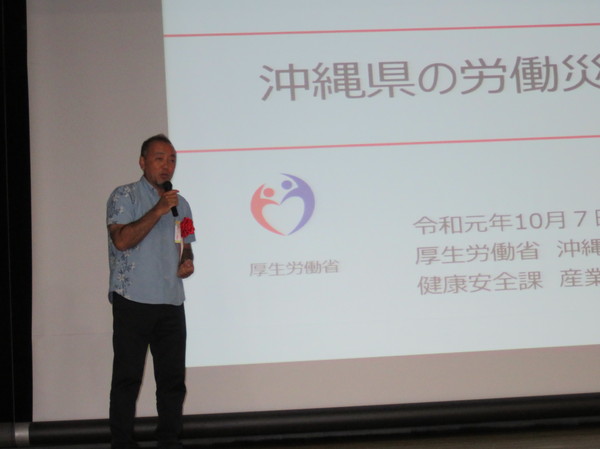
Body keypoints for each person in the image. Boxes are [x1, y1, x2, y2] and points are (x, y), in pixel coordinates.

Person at [106, 134, 195, 449]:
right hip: (133, 300)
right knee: (128, 378)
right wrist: (158, 209)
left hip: (171, 301)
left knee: (172, 381)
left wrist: (186, 261)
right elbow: (121, 240)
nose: (166, 165)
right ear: (142, 162)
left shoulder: (182, 204)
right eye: (159, 158)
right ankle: (121, 442)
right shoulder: (124, 196)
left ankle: (169, 440)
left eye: (171, 159)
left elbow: (186, 245)